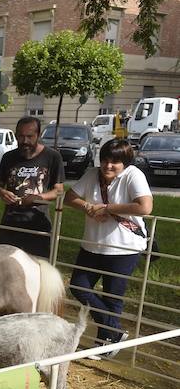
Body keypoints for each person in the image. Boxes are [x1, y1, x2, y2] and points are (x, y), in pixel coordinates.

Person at [65, 138, 153, 359]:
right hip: (92, 245)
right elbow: (70, 197)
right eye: (105, 160)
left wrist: (108, 208)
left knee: (113, 296)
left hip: (124, 248)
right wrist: (87, 206)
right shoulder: (92, 174)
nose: (108, 165)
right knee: (78, 286)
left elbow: (145, 206)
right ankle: (113, 331)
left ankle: (105, 343)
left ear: (125, 163)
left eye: (115, 161)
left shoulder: (133, 175)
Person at [0, 116, 65, 258]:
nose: (25, 141)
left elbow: (59, 191)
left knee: (37, 266)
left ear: (38, 135)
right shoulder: (8, 157)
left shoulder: (52, 157)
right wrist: (2, 192)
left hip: (38, 223)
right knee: (5, 264)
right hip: (10, 222)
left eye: (29, 136)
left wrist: (37, 198)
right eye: (20, 136)